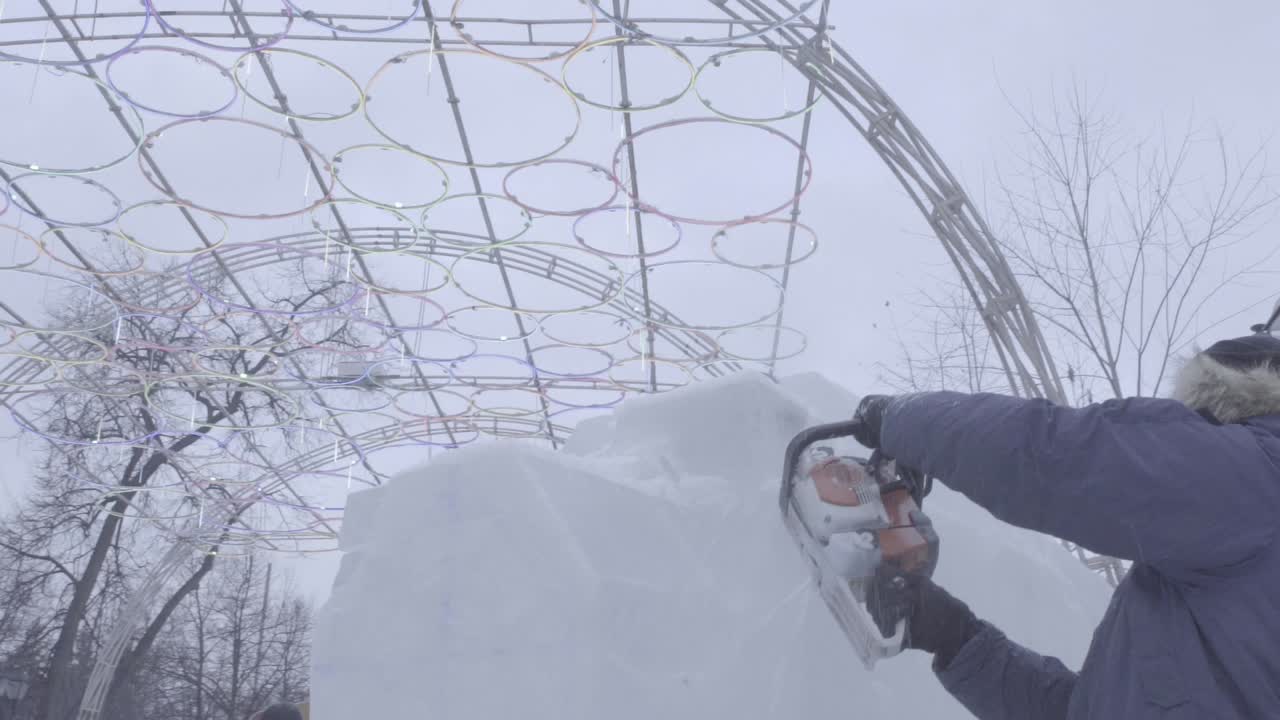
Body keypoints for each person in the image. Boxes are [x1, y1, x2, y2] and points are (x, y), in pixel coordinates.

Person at [850, 332, 1280, 719]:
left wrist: (901, 420)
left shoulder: (1256, 474)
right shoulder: (1209, 569)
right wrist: (956, 637)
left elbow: (1058, 457)